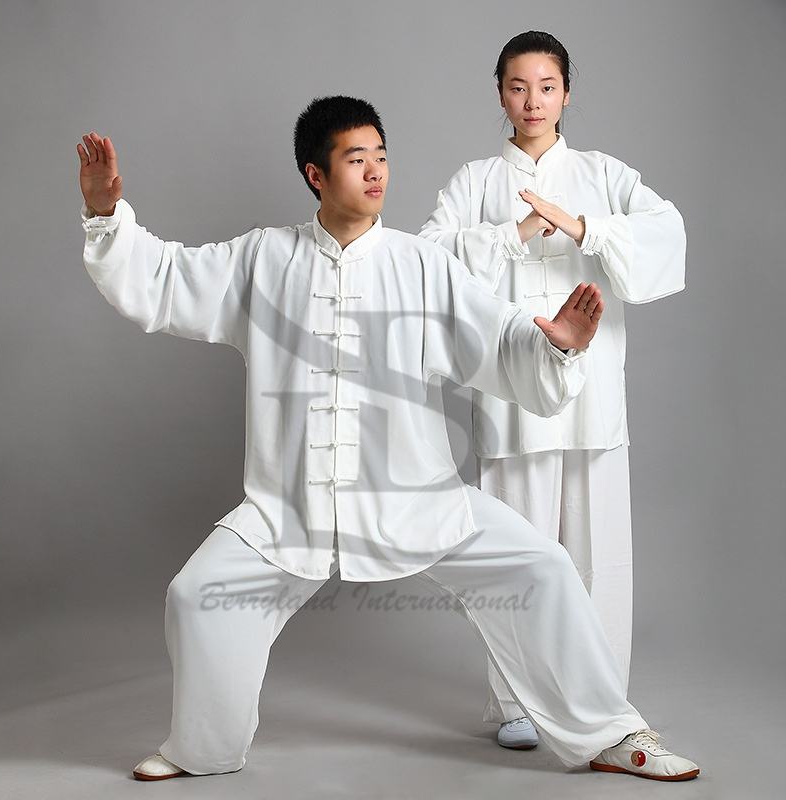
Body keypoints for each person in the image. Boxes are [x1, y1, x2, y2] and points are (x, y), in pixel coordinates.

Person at [76, 95, 698, 782]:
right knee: (197, 596)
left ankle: (611, 734)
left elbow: (496, 336)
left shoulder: (421, 264)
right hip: (290, 506)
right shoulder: (263, 257)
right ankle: (202, 750)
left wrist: (558, 345)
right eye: (356, 159)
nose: (376, 172)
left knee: (541, 568)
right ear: (316, 174)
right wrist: (107, 215)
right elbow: (165, 278)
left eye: (381, 156)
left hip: (418, 498)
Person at [419, 31, 686, 751]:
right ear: (500, 93)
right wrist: (511, 234)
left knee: (601, 558)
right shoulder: (475, 182)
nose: (532, 101)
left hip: (593, 398)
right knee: (516, 556)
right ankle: (516, 700)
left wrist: (587, 228)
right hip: (509, 400)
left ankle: (603, 701)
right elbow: (428, 263)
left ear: (567, 92)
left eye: (546, 86)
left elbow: (667, 234)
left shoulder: (603, 174)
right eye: (517, 86)